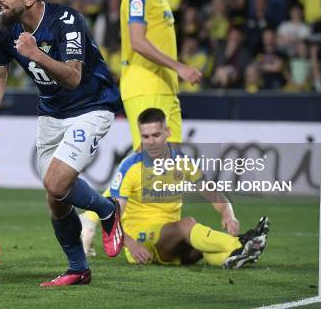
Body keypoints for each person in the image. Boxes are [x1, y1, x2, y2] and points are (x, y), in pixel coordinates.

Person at [0, 0, 124, 286]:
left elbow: (72, 77)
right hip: (51, 114)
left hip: (91, 106)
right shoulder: (5, 26)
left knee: (57, 184)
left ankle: (107, 209)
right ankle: (78, 268)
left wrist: (35, 54)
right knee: (55, 198)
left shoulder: (67, 21)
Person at [81, 108, 269, 268]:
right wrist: (131, 244)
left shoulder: (182, 162)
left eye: (156, 135)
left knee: (203, 244)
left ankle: (233, 257)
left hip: (171, 239)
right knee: (188, 224)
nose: (151, 142)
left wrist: (228, 214)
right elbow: (113, 216)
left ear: (168, 133)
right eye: (145, 136)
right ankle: (241, 243)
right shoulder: (130, 167)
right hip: (142, 241)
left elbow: (212, 192)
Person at [120, 0, 202, 151]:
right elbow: (137, 41)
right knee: (154, 165)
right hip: (146, 86)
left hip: (165, 87)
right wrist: (179, 66)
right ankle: (118, 187)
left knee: (171, 164)